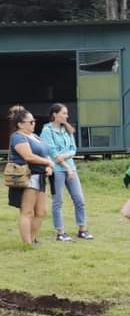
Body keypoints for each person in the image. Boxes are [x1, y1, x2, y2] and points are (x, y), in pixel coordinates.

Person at [40, 103, 91, 241]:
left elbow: (74, 149)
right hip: (57, 170)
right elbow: (52, 152)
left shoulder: (67, 130)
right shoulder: (47, 130)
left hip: (71, 169)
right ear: (55, 114)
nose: (66, 116)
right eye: (64, 113)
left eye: (66, 113)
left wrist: (64, 157)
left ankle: (82, 229)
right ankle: (60, 233)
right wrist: (65, 165)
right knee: (58, 202)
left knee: (79, 200)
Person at [7, 105, 52, 245]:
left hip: (40, 177)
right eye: (31, 122)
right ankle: (27, 244)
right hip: (28, 177)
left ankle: (32, 239)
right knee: (27, 212)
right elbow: (28, 156)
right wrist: (47, 162)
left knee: (41, 212)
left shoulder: (34, 136)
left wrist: (49, 165)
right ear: (20, 124)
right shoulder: (18, 137)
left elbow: (45, 153)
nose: (34, 124)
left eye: (34, 121)